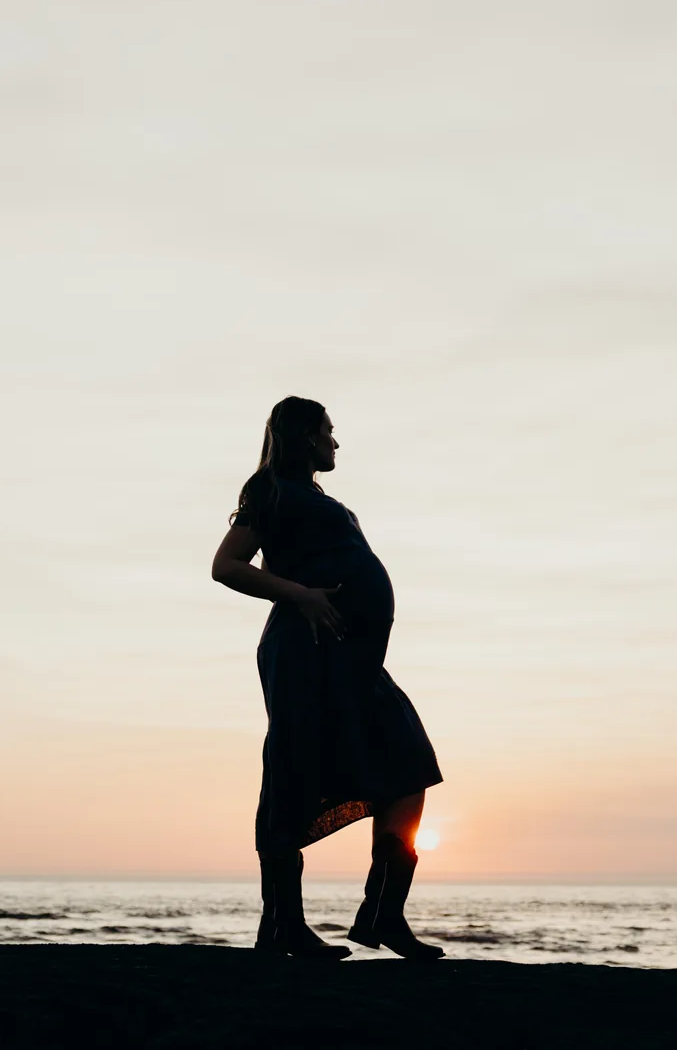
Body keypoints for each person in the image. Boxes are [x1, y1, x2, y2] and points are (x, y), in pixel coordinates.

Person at [211, 397, 445, 961]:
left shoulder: (318, 499)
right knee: (293, 775)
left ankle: (383, 915)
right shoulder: (269, 490)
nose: (335, 442)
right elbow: (226, 565)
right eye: (328, 431)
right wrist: (302, 595)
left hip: (354, 660)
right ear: (305, 437)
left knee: (409, 763)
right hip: (304, 656)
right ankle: (282, 926)